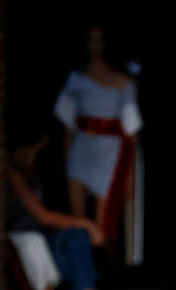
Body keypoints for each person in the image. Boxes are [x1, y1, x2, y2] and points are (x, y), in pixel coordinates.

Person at [6, 123, 118, 290]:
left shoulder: (34, 169)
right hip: (17, 246)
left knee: (77, 241)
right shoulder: (9, 171)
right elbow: (41, 215)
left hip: (41, 242)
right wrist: (88, 224)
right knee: (70, 246)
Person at [53, 22, 143, 249]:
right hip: (82, 147)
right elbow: (67, 125)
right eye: (91, 39)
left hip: (110, 152)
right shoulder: (75, 79)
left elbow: (132, 133)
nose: (95, 45)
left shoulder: (123, 82)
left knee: (103, 221)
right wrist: (66, 161)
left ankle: (102, 270)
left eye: (99, 39)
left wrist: (130, 175)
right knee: (78, 216)